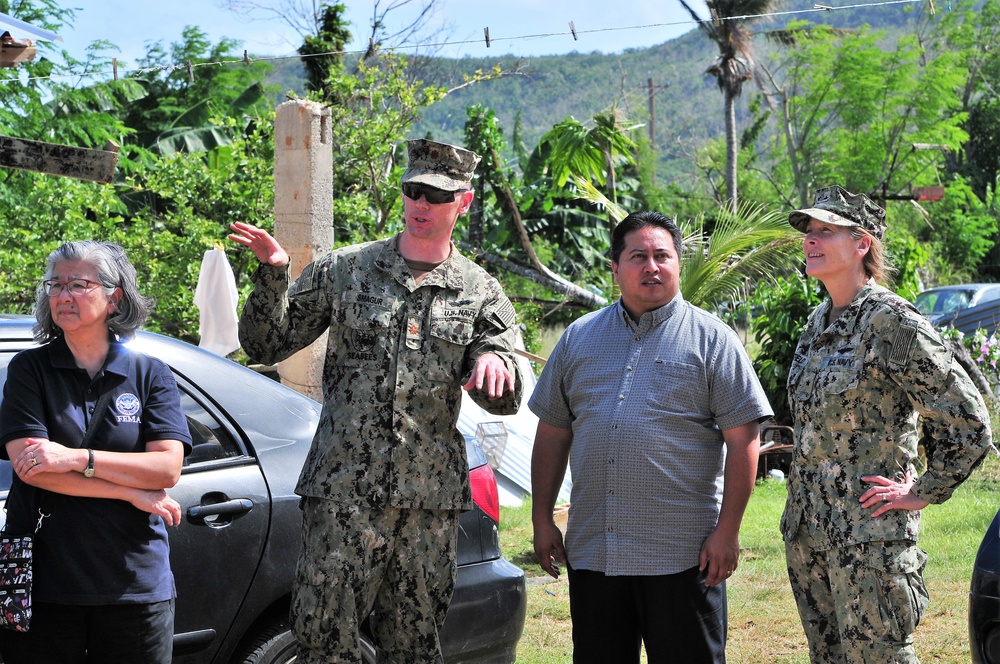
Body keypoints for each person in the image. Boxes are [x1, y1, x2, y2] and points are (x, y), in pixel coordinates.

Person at [228, 138, 522, 664]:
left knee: (414, 646)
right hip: (343, 495)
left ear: (465, 203)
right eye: (413, 191)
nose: (421, 205)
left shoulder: (481, 292)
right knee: (322, 639)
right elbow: (267, 344)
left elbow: (507, 393)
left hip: (427, 504)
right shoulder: (346, 270)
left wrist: (496, 364)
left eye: (437, 195)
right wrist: (273, 273)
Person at [530, 210, 773, 664]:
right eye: (637, 256)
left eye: (663, 255)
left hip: (682, 557)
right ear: (615, 267)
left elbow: (744, 441)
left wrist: (728, 532)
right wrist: (542, 519)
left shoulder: (713, 340)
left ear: (678, 262)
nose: (652, 266)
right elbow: (552, 433)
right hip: (595, 552)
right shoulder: (578, 338)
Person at [781, 185, 993, 663]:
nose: (811, 241)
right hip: (811, 535)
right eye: (809, 232)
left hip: (870, 543)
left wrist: (923, 490)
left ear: (862, 244)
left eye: (826, 231)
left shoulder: (892, 323)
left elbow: (969, 421)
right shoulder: (819, 322)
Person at [0, 240, 191, 663]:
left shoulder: (149, 373)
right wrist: (128, 491)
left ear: (113, 297)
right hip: (46, 583)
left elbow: (165, 469)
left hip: (135, 583)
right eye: (55, 285)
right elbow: (33, 469)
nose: (63, 295)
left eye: (78, 284)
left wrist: (77, 459)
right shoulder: (29, 370)